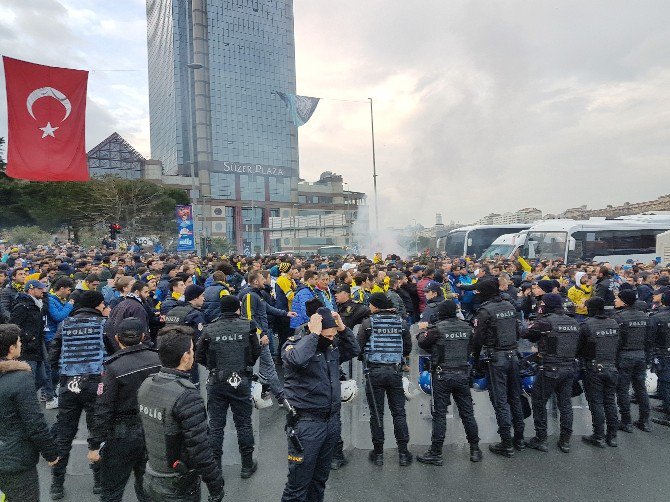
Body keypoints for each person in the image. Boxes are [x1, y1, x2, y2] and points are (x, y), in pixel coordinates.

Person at [137, 325, 224, 502]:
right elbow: (200, 448)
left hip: (150, 475)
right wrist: (216, 487)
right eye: (192, 350)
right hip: (177, 485)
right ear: (186, 357)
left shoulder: (146, 385)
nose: (193, 354)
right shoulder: (187, 395)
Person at [281, 308, 359, 502]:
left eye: (333, 336)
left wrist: (342, 329)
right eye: (327, 335)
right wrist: (314, 335)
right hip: (306, 425)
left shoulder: (331, 347)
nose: (331, 339)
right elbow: (297, 360)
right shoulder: (294, 346)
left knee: (319, 481)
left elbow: (354, 350)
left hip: (330, 422)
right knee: (298, 486)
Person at [88, 317, 161, 502]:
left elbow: (103, 408)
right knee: (148, 487)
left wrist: (95, 444)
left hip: (122, 435)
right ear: (143, 336)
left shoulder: (113, 367)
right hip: (153, 429)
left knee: (112, 490)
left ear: (117, 338)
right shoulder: (158, 359)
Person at [48, 290, 109, 500]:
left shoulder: (65, 324)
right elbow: (111, 354)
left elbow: (53, 356)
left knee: (64, 433)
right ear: (96, 305)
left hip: (69, 384)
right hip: (95, 383)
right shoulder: (103, 324)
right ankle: (100, 483)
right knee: (98, 431)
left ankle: (57, 484)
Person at [196, 295, 261, 478]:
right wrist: (245, 367)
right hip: (240, 379)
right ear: (237, 308)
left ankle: (215, 468)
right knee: (244, 423)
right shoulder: (248, 326)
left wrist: (213, 368)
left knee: (216, 426)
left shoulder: (210, 329)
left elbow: (199, 355)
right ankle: (247, 465)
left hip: (217, 380)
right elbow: (256, 351)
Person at [416, 301, 482, 464]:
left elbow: (422, 342)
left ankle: (436, 452)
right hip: (462, 375)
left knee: (439, 414)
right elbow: (474, 346)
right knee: (467, 413)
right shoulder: (467, 328)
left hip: (443, 375)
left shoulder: (436, 329)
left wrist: (423, 330)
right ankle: (475, 450)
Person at [0, 324, 59, 502]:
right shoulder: (20, 378)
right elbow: (34, 422)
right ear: (11, 348)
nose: (21, 344)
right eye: (18, 342)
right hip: (15, 460)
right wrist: (51, 453)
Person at [471, 277, 525, 457]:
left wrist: (476, 359)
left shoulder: (485, 311)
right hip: (513, 356)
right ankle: (519, 439)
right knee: (515, 397)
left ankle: (506, 443)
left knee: (500, 401)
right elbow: (519, 331)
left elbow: (477, 339)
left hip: (496, 358)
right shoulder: (509, 306)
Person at [357, 293, 412, 466]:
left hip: (374, 373)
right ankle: (403, 453)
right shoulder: (401, 323)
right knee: (399, 413)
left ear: (376, 306)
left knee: (377, 414)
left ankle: (379, 454)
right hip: (395, 372)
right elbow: (407, 347)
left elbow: (358, 348)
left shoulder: (367, 324)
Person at [522, 293, 580, 453]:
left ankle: (541, 439)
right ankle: (565, 440)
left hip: (550, 368)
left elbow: (527, 334)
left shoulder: (545, 322)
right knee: (565, 404)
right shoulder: (573, 321)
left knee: (539, 401)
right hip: (569, 368)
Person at [577, 297, 621, 447]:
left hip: (593, 368)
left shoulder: (586, 325)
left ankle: (599, 436)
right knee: (610, 401)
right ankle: (612, 436)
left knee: (596, 403)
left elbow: (579, 348)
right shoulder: (614, 323)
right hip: (612, 366)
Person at [613, 288, 653, 432]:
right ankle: (644, 420)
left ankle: (626, 421)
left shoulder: (618, 318)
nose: (615, 300)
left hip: (624, 356)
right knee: (640, 388)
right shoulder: (644, 317)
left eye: (618, 298)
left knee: (622, 390)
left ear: (624, 302)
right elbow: (649, 339)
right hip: (640, 355)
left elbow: (617, 341)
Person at [105, 280, 151, 353]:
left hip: (118, 348)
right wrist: (147, 348)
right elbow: (141, 330)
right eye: (145, 292)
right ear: (137, 292)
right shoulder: (137, 308)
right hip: (133, 351)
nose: (148, 295)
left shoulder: (121, 304)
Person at [650, 291, 670, 415]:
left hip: (663, 352)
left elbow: (651, 337)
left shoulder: (657, 317)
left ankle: (668, 412)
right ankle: (665, 406)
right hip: (664, 351)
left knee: (665, 382)